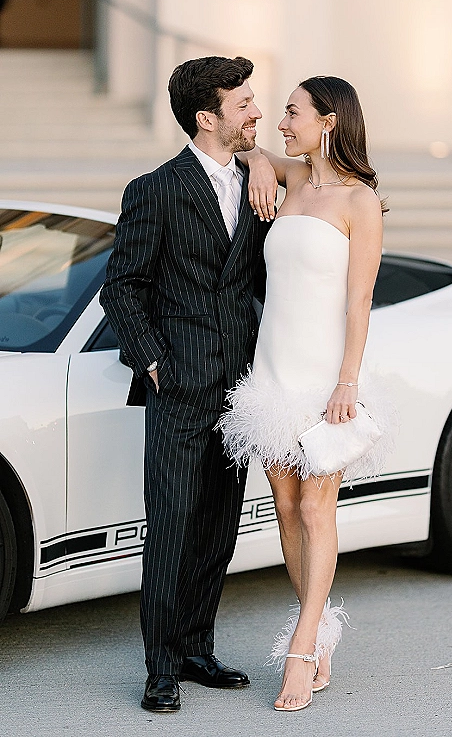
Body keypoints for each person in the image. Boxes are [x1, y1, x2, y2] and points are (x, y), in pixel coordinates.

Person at [99, 55, 277, 713]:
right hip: (177, 388)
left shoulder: (257, 185)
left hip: (240, 390)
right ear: (207, 118)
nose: (257, 111)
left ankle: (198, 646)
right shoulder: (156, 189)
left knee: (218, 528)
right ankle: (161, 667)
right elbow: (122, 286)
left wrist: (261, 160)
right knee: (172, 529)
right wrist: (152, 361)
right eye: (245, 104)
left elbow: (255, 282)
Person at [219, 76, 396, 712]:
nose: (282, 121)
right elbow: (246, 151)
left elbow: (359, 301)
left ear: (327, 121)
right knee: (285, 504)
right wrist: (262, 161)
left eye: (292, 113)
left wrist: (346, 381)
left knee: (318, 508)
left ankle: (300, 646)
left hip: (325, 374)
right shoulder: (292, 179)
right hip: (273, 368)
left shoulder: (359, 201)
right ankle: (321, 631)